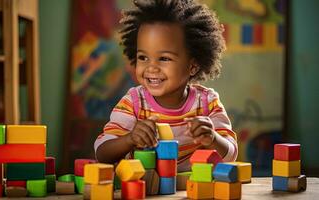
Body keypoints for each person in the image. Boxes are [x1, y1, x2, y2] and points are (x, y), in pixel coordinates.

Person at [94, 0, 237, 171]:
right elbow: (101, 153)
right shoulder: (133, 103)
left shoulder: (207, 102)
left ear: (193, 66)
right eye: (143, 57)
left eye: (164, 58)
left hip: (190, 192)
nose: (151, 68)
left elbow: (231, 155)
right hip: (145, 192)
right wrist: (129, 139)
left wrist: (213, 138)